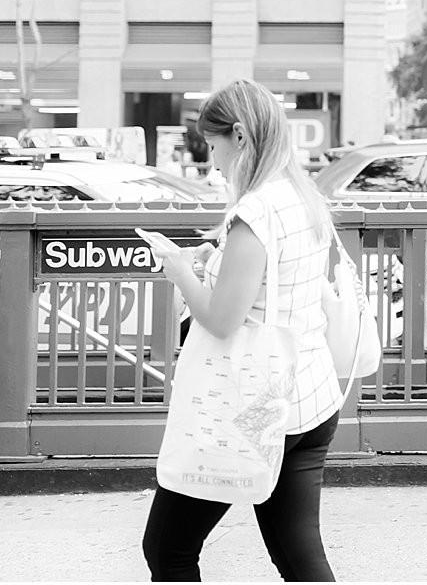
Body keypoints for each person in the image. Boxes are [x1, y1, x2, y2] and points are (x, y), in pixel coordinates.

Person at [140, 79, 343, 581]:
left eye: (214, 145)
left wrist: (179, 269)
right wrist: (216, 264)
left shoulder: (254, 212)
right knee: (299, 556)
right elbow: (276, 283)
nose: (214, 160)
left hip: (253, 406)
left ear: (240, 137)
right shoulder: (303, 194)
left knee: (168, 548)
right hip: (309, 396)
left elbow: (223, 320)